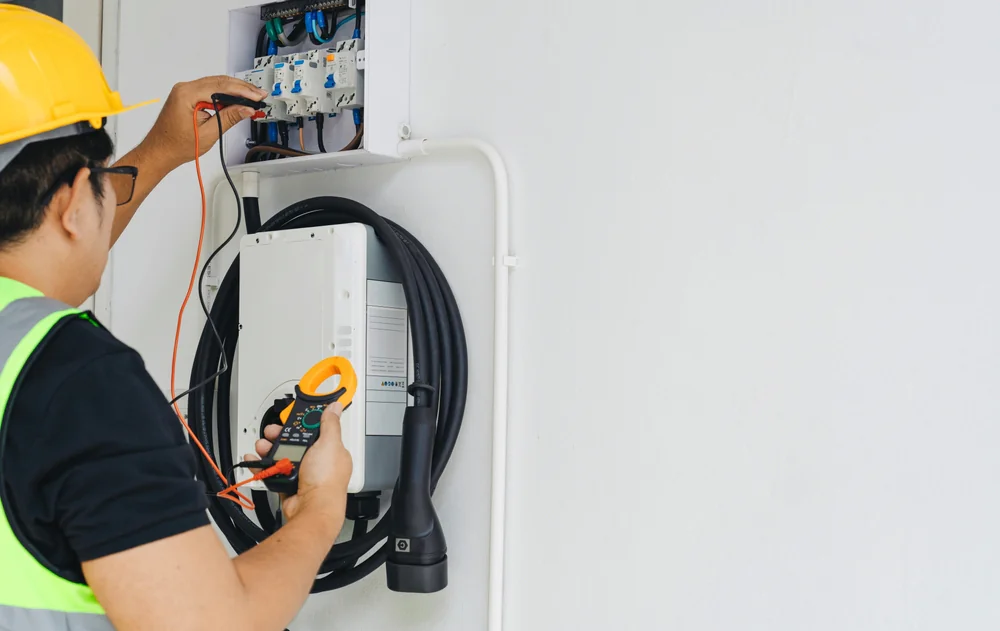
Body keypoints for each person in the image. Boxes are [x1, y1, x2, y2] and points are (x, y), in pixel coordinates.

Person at [0, 6, 353, 631]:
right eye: (100, 185)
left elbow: (48, 254)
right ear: (71, 202)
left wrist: (161, 152)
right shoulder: (78, 384)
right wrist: (320, 509)